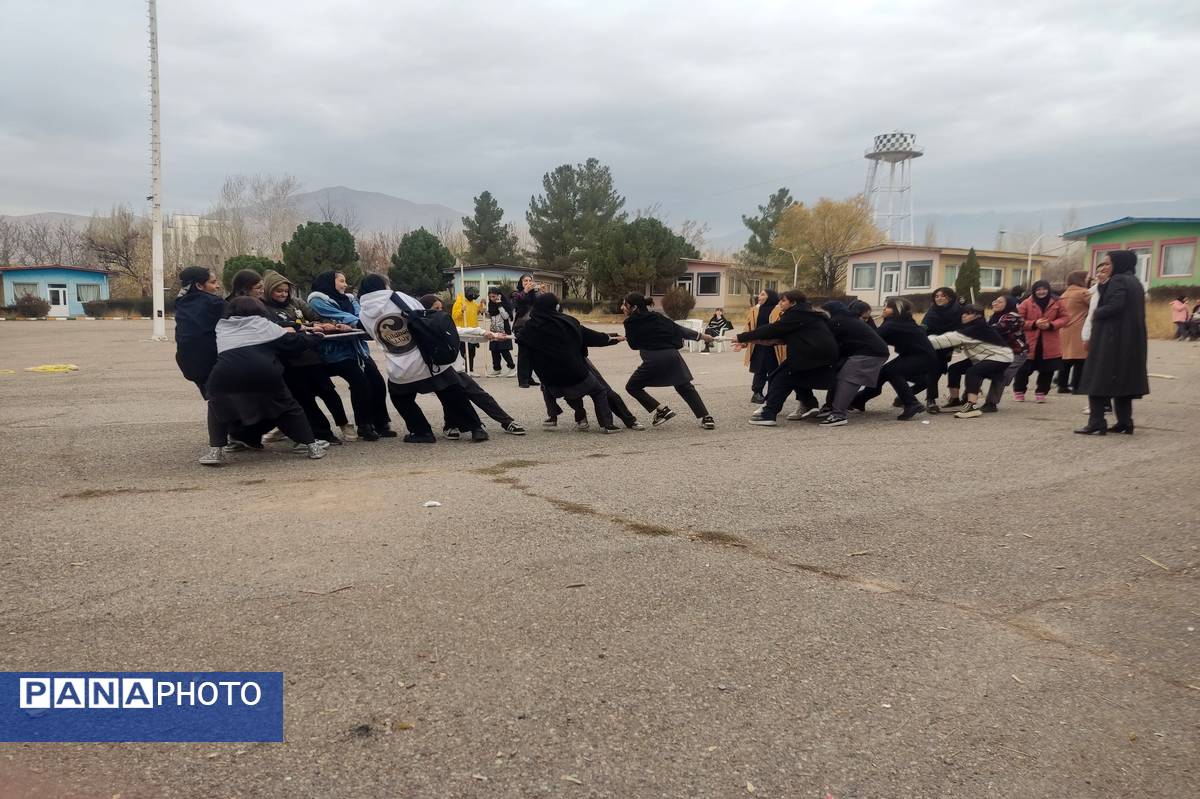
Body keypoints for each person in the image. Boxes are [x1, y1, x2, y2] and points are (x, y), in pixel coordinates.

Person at [357, 274, 487, 443]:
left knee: (401, 398)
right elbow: (423, 314)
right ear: (383, 285)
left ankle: (422, 431)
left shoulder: (363, 312)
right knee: (453, 392)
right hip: (426, 357)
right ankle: (476, 428)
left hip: (400, 366)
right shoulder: (399, 297)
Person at [201, 297, 329, 466]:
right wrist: (316, 337)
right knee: (288, 407)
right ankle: (312, 446)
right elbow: (293, 343)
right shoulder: (264, 325)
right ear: (259, 311)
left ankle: (215, 452)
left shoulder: (223, 327)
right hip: (263, 372)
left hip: (224, 374)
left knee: (217, 407)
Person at [261, 269, 352, 444]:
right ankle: (323, 433)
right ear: (268, 290)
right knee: (305, 399)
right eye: (278, 291)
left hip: (311, 356)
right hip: (290, 361)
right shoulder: (264, 307)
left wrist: (332, 325)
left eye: (286, 291)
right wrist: (307, 327)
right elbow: (276, 327)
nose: (283, 294)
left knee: (328, 392)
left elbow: (316, 317)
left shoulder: (296, 303)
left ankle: (344, 424)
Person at [421, 294, 526, 437]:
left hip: (455, 369)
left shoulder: (445, 325)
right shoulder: (420, 329)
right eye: (435, 308)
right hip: (437, 372)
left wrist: (489, 334)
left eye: (441, 308)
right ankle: (451, 426)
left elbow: (464, 333)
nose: (440, 311)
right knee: (452, 399)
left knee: (480, 395)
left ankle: (507, 421)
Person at [307, 271, 394, 442]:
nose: (345, 284)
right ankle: (364, 425)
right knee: (360, 382)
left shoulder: (349, 298)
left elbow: (359, 314)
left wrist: (357, 322)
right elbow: (341, 316)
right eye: (341, 281)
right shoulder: (317, 300)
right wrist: (357, 323)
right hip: (335, 352)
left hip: (358, 349)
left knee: (377, 381)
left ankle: (381, 422)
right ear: (329, 282)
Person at [515, 293, 620, 433]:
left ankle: (556, 416)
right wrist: (613, 339)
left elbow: (522, 351)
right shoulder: (568, 322)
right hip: (575, 373)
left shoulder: (528, 330)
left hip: (550, 380)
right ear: (555, 306)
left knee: (550, 387)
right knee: (598, 391)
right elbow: (591, 337)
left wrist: (523, 379)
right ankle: (608, 425)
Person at [733, 290, 839, 426]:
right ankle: (809, 405)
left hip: (810, 355)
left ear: (793, 302)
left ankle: (768, 414)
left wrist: (742, 336)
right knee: (796, 376)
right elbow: (784, 336)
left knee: (781, 378)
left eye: (783, 300)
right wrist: (752, 341)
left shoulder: (796, 315)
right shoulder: (807, 314)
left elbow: (773, 329)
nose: (780, 303)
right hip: (819, 354)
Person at [1076, 250, 1148, 435]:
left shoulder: (1118, 281)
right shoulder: (1135, 282)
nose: (1105, 267)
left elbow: (1113, 306)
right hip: (1129, 339)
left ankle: (1096, 423)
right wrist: (1101, 287)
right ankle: (1125, 422)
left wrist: (1095, 314)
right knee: (1122, 380)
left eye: (1108, 263)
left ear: (1119, 263)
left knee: (1098, 379)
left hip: (1112, 339)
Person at [620, 293, 716, 429]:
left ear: (634, 307)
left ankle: (661, 410)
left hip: (652, 359)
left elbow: (633, 346)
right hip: (673, 356)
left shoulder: (630, 322)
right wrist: (702, 336)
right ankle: (706, 418)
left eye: (625, 304)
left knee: (632, 387)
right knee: (685, 387)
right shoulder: (658, 317)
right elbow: (679, 329)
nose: (622, 307)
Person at [850, 297, 937, 420]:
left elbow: (874, 338)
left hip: (920, 357)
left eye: (887, 307)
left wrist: (864, 323)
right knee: (883, 372)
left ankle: (911, 403)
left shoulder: (893, 324)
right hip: (919, 355)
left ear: (896, 309)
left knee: (892, 372)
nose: (884, 309)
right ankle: (858, 400)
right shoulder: (901, 321)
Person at [927, 304, 1013, 419]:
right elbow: (957, 340)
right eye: (963, 313)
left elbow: (944, 340)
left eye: (967, 314)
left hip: (1000, 357)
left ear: (977, 316)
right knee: (954, 368)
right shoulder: (972, 327)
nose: (963, 316)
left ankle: (972, 406)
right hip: (983, 356)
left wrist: (922, 338)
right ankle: (955, 400)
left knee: (973, 372)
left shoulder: (976, 328)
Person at [813, 301, 889, 427]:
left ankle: (839, 415)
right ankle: (832, 409)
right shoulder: (845, 319)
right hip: (869, 351)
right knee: (841, 376)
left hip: (870, 353)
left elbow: (827, 341)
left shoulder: (837, 321)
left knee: (847, 378)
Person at [174, 266, 225, 398]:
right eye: (213, 282)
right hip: (213, 364)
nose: (217, 286)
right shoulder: (215, 303)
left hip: (188, 365)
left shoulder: (181, 303)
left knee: (215, 401)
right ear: (199, 285)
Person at [1012, 280, 1067, 403]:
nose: (1041, 292)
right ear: (1034, 291)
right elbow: (1017, 320)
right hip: (1030, 341)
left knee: (1048, 369)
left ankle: (1041, 392)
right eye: (1038, 290)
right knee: (1023, 369)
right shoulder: (1026, 303)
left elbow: (1065, 318)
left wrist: (1051, 325)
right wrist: (1034, 324)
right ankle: (1019, 390)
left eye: (1044, 289)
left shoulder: (1057, 303)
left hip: (1050, 342)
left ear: (1048, 290)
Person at [981, 295, 1028, 412]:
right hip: (1000, 352)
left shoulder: (1013, 317)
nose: (995, 303)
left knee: (1000, 375)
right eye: (995, 300)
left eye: (1000, 302)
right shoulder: (995, 316)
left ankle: (991, 403)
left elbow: (996, 329)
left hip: (1016, 353)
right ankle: (969, 398)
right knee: (977, 369)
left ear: (1009, 304)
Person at [920, 287, 962, 412]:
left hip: (948, 345)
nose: (939, 298)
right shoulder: (933, 311)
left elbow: (962, 325)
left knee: (939, 370)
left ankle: (904, 397)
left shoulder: (958, 310)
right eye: (936, 296)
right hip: (933, 345)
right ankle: (931, 401)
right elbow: (925, 325)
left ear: (950, 297)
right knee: (934, 371)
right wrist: (920, 331)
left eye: (942, 296)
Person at [1055, 271, 1091, 394]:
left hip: (1064, 329)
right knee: (1080, 360)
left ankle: (1062, 385)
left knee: (1066, 359)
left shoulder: (1064, 294)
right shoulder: (1083, 293)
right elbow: (1096, 304)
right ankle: (1077, 386)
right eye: (1087, 278)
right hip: (1079, 328)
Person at [743, 289, 780, 403]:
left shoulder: (779, 310)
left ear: (771, 297)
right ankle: (757, 392)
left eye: (763, 294)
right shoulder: (755, 310)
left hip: (775, 345)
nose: (759, 296)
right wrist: (743, 340)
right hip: (758, 344)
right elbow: (748, 325)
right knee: (759, 368)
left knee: (774, 369)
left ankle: (772, 395)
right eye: (759, 294)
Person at [511, 273, 543, 388]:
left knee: (532, 354)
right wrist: (525, 291)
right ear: (521, 282)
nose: (528, 282)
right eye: (525, 280)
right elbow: (516, 303)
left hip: (535, 327)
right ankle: (522, 380)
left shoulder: (536, 294)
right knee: (523, 354)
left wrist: (542, 292)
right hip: (521, 327)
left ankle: (529, 378)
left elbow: (542, 305)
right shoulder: (516, 294)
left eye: (530, 280)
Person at [451, 286, 484, 375]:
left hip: (472, 332)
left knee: (472, 353)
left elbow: (477, 311)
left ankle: (471, 370)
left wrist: (481, 306)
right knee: (463, 353)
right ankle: (463, 370)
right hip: (463, 332)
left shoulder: (473, 303)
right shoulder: (459, 302)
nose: (475, 297)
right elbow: (454, 316)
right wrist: (461, 311)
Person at [485, 287, 517, 377]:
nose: (492, 298)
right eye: (490, 297)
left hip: (503, 331)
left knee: (504, 350)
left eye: (494, 296)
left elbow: (506, 316)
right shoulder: (490, 304)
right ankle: (497, 369)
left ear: (499, 295)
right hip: (494, 331)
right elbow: (490, 316)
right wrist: (484, 312)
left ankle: (512, 367)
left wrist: (499, 305)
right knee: (494, 351)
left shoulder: (504, 304)